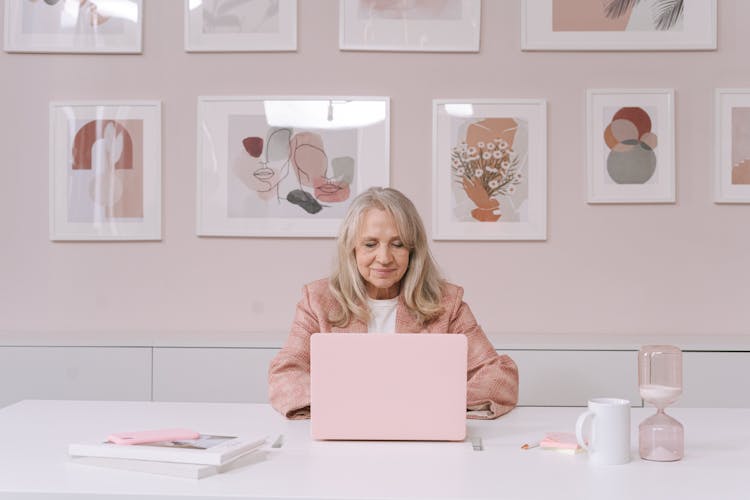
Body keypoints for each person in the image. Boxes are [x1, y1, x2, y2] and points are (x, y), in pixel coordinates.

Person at [268, 187, 519, 419]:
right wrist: (351, 404)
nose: (384, 258)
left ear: (413, 251)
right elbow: (284, 375)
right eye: (370, 244)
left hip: (424, 435)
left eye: (397, 244)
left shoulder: (447, 303)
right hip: (344, 436)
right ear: (351, 248)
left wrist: (431, 402)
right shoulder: (318, 300)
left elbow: (500, 375)